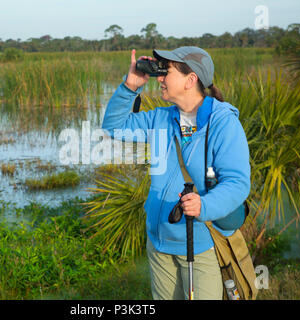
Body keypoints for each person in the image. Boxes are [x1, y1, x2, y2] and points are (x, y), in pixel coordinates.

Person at [101, 46, 251, 300]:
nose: (160, 79)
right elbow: (114, 127)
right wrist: (130, 86)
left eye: (166, 72)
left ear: (190, 80)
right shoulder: (161, 118)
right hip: (160, 241)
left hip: (200, 243)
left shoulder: (223, 123)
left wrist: (204, 205)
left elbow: (237, 183)